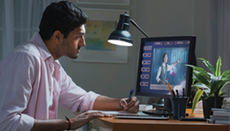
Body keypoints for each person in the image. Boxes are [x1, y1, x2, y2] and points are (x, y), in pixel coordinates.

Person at [0, 1, 140, 131]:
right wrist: (69, 124)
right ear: (58, 37)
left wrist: (122, 103)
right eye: (79, 36)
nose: (83, 43)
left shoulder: (52, 64)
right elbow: (6, 122)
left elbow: (82, 99)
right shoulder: (26, 58)